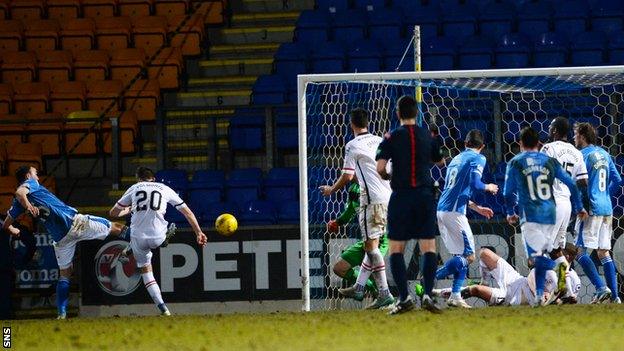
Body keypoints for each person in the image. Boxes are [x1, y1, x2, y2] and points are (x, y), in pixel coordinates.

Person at [2, 165, 131, 319]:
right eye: (35, 173)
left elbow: (5, 224)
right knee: (116, 227)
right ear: (28, 176)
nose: (37, 175)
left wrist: (12, 230)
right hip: (74, 223)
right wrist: (29, 206)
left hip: (60, 238)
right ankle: (139, 240)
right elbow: (19, 192)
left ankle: (61, 314)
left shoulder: (17, 204)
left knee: (65, 274)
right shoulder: (30, 185)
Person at [319, 108, 395, 310]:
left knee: (371, 247)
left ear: (351, 124)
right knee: (371, 246)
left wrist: (331, 190)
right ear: (367, 122)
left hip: (372, 200)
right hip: (388, 197)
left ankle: (384, 293)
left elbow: (348, 176)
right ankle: (360, 287)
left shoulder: (352, 145)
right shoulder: (380, 140)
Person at [503, 127, 587, 307]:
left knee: (537, 257)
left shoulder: (517, 162)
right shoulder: (549, 161)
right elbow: (572, 184)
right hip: (557, 209)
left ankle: (541, 294)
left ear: (520, 143)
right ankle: (568, 290)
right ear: (538, 143)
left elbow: (508, 192)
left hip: (534, 212)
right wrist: (579, 206)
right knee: (556, 251)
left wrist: (510, 212)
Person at [376, 95, 444, 314]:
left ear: (398, 113)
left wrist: (388, 176)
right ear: (417, 113)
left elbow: (380, 168)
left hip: (401, 196)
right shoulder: (427, 135)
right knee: (429, 247)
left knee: (396, 248)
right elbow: (439, 160)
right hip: (424, 195)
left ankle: (404, 298)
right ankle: (427, 294)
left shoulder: (391, 137)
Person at [109, 167, 207, 315]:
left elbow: (113, 213)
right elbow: (187, 212)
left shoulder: (134, 188)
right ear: (153, 178)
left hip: (138, 238)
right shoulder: (164, 188)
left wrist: (129, 209)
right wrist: (198, 232)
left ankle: (163, 308)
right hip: (157, 235)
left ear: (138, 179)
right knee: (166, 223)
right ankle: (164, 237)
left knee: (147, 273)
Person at [436, 129, 499, 308]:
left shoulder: (456, 159)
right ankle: (430, 279)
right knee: (470, 256)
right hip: (454, 212)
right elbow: (475, 183)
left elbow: (456, 189)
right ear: (483, 146)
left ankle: (455, 295)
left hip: (444, 209)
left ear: (465, 144)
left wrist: (476, 208)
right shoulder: (478, 158)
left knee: (461, 255)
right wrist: (489, 187)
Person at [573, 123, 622, 304]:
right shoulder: (604, 153)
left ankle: (601, 288)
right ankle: (615, 298)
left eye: (576, 134)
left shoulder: (581, 155)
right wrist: (604, 196)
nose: (574, 138)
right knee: (603, 253)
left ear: (583, 135)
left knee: (579, 251)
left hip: (590, 207)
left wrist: (583, 205)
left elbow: (582, 183)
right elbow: (617, 180)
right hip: (607, 208)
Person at [432, 247, 581, 307]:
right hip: (517, 279)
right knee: (484, 253)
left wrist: (554, 299)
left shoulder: (572, 279)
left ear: (566, 256)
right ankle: (484, 281)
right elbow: (532, 268)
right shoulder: (549, 265)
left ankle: (436, 293)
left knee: (476, 289)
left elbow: (566, 301)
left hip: (515, 298)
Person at [540, 117, 588, 274]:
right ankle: (566, 289)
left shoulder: (548, 148)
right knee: (556, 249)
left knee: (542, 248)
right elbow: (583, 181)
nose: (548, 129)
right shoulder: (576, 152)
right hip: (566, 204)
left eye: (550, 127)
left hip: (552, 203)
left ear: (554, 130)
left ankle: (544, 290)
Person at [328, 180, 390, 300]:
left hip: (381, 239)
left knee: (375, 271)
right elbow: (351, 210)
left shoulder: (375, 186)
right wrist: (337, 222)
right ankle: (368, 288)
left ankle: (386, 299)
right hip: (366, 240)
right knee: (339, 268)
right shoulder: (354, 189)